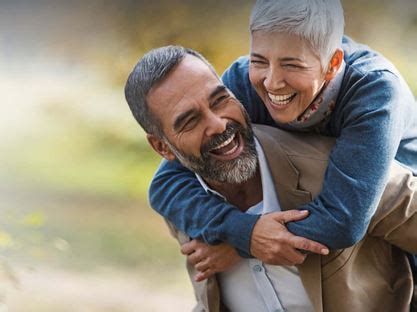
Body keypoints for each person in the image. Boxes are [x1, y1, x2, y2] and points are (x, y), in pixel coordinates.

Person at [124, 45, 417, 311]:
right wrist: (244, 233)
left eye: (219, 100)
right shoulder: (186, 205)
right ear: (163, 148)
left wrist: (244, 243)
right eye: (190, 121)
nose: (217, 124)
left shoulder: (342, 169)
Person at [148, 0, 417, 274]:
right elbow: (166, 182)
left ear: (333, 64)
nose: (272, 82)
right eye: (259, 60)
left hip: (403, 237)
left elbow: (342, 220)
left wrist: (243, 245)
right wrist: (242, 230)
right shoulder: (244, 82)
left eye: (292, 65)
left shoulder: (375, 91)